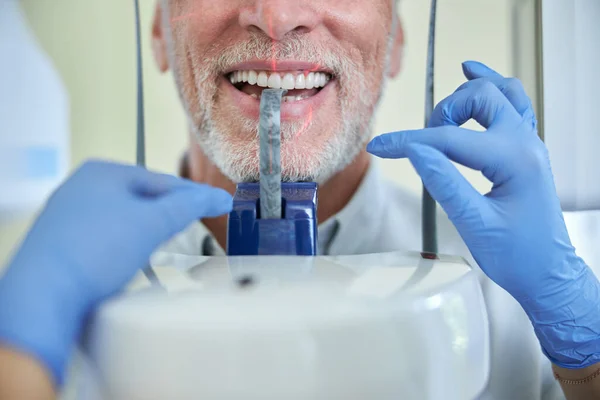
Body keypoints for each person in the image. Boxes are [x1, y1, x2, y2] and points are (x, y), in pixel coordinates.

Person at [0, 1, 599, 399]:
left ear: (393, 41)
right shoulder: (58, 297)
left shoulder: (508, 285)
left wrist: (585, 350)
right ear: (159, 31)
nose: (277, 16)